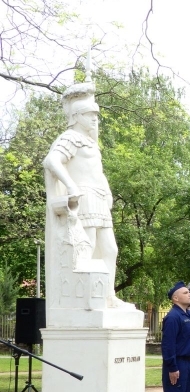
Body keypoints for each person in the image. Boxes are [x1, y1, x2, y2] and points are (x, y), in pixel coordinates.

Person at [43, 82, 122, 305]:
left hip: (98, 198)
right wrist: (71, 186)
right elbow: (52, 161)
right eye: (90, 114)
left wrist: (107, 191)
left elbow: (97, 172)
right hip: (84, 198)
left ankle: (108, 295)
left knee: (109, 249)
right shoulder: (69, 138)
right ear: (77, 116)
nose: (95, 118)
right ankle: (86, 299)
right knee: (86, 248)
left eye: (96, 114)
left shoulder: (90, 142)